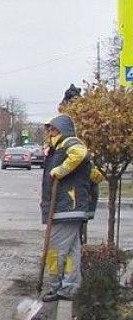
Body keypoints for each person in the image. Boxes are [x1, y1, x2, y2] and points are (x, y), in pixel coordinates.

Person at [40, 114, 103, 302]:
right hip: (67, 208)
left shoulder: (70, 143)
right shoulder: (58, 149)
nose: (50, 133)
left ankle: (54, 285)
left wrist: (60, 171)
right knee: (71, 251)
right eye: (49, 130)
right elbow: (93, 174)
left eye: (53, 129)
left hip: (66, 207)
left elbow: (80, 153)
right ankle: (70, 287)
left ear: (62, 130)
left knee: (54, 250)